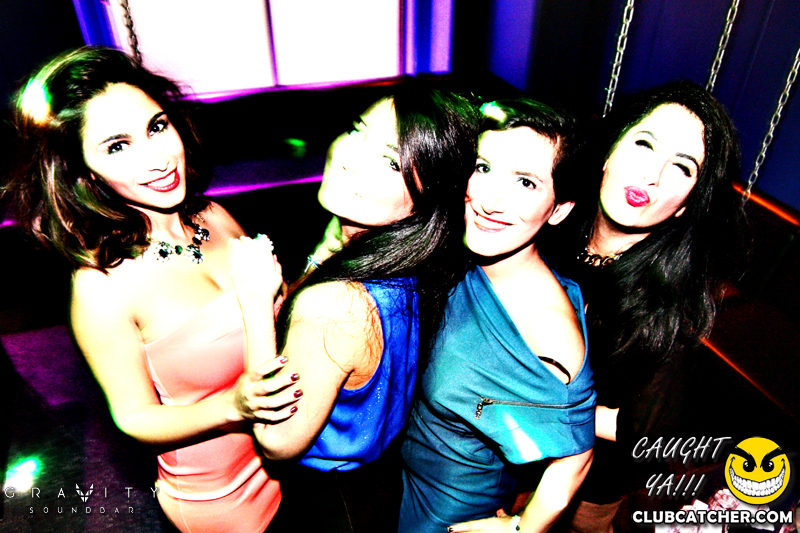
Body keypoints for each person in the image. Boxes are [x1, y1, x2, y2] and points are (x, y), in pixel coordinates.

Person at [3, 47, 300, 533]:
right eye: (117, 147)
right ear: (84, 172)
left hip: (293, 452)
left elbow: (269, 310)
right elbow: (134, 418)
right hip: (221, 496)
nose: (159, 159)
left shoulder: (215, 216)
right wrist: (233, 405)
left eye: (157, 127)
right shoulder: (101, 285)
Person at [231, 87, 480, 532]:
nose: (348, 158)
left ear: (425, 197)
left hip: (328, 503)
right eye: (357, 131)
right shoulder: (417, 262)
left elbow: (277, 441)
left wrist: (255, 304)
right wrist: (326, 250)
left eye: (390, 162)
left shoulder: (335, 305)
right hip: (379, 481)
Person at [551, 81, 746, 532]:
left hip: (594, 475)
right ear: (608, 153)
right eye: (644, 144)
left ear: (684, 206)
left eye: (681, 167)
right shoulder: (552, 227)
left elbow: (646, 431)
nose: (652, 175)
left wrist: (528, 399)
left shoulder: (670, 300)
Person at [398, 99, 596, 533]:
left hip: (445, 511)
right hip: (401, 475)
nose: (490, 200)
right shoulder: (473, 256)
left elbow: (576, 461)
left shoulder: (544, 326)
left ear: (559, 209)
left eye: (526, 182)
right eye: (484, 168)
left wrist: (522, 529)